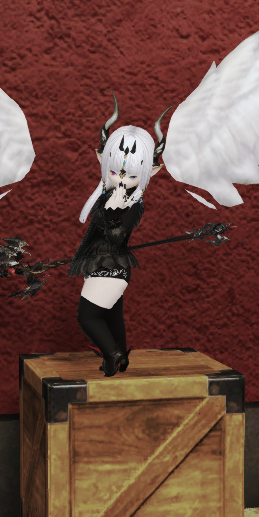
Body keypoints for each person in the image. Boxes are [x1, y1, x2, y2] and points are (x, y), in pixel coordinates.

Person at [70, 95, 169, 376]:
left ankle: (113, 355)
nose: (122, 178)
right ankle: (121, 357)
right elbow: (93, 233)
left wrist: (113, 210)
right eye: (115, 171)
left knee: (88, 317)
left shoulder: (131, 204)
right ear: (103, 161)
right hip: (100, 265)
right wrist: (78, 259)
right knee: (112, 317)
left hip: (112, 267)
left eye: (132, 175)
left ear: (150, 172)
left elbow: (116, 237)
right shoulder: (107, 197)